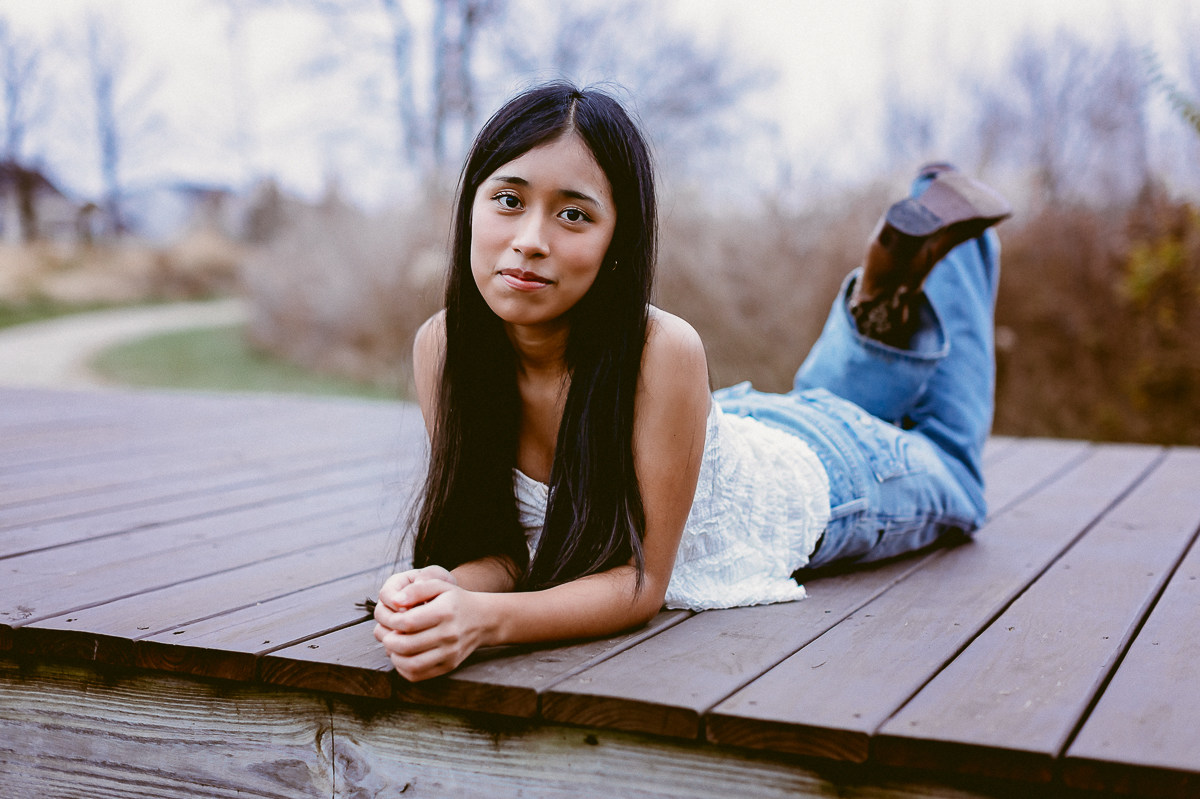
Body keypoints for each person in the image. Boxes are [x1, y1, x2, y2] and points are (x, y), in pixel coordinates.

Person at [373, 82, 1011, 682]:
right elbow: (513, 549)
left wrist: (484, 623)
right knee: (829, 403)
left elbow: (640, 585)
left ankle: (938, 259)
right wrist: (447, 588)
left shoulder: (662, 349)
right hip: (730, 437)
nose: (531, 240)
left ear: (618, 239)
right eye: (509, 201)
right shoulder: (443, 348)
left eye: (573, 215)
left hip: (836, 480)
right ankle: (881, 292)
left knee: (955, 468)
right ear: (469, 208)